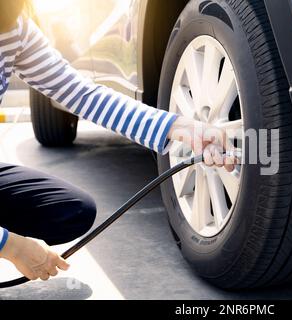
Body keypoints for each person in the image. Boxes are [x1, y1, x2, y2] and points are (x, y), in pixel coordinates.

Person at [0, 0, 235, 282]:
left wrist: (178, 126)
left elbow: (79, 93)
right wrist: (12, 246)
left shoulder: (13, 29)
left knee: (73, 211)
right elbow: (15, 248)